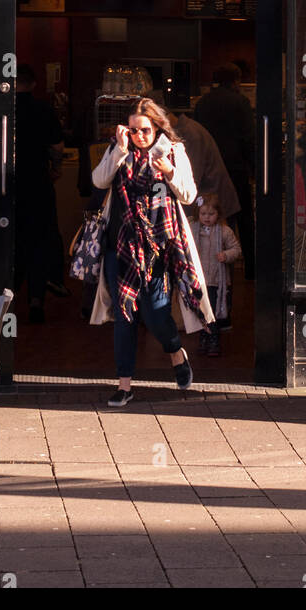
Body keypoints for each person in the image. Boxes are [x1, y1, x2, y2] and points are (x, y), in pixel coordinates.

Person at [89, 97, 214, 407]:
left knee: (156, 314)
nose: (138, 136)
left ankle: (175, 351)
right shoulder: (120, 150)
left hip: (158, 249)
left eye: (144, 130)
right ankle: (124, 385)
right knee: (124, 317)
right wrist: (119, 149)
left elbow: (188, 195)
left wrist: (170, 171)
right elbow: (98, 180)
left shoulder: (173, 151)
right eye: (132, 130)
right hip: (121, 247)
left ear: (157, 128)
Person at [193, 65, 255, 278]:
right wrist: (255, 170)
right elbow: (249, 139)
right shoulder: (241, 102)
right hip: (236, 168)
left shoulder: (202, 104)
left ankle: (211, 266)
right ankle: (250, 269)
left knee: (211, 216)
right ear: (235, 81)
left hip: (210, 172)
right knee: (244, 218)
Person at [13, 64, 64, 323]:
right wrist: (56, 168)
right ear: (33, 84)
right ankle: (36, 299)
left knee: (10, 243)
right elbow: (56, 145)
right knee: (38, 241)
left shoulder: (0, 108)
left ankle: (5, 299)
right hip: (38, 183)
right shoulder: (43, 109)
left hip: (6, 186)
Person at [188, 192, 241, 357]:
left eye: (211, 214)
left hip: (216, 281)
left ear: (218, 214)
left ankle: (213, 340)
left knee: (213, 312)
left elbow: (236, 249)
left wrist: (226, 255)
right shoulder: (193, 229)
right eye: (203, 213)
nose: (207, 217)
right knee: (201, 311)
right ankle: (203, 338)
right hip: (199, 279)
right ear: (198, 214)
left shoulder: (224, 231)